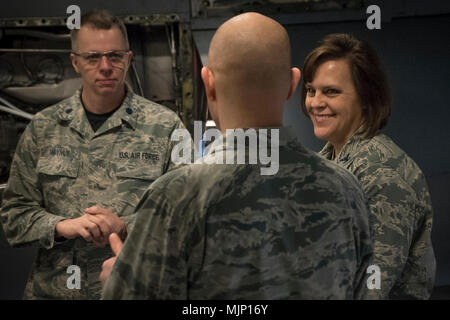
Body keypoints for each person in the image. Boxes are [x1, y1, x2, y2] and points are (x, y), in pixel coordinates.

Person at [100, 12, 373, 300]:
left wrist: (123, 280)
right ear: (293, 84)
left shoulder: (175, 197)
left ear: (209, 83)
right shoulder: (346, 189)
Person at [0, 10, 186, 299]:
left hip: (132, 291)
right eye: (92, 57)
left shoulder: (166, 127)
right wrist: (62, 226)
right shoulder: (44, 128)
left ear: (129, 58)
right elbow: (14, 216)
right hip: (53, 293)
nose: (105, 66)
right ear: (75, 62)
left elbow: (185, 217)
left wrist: (125, 226)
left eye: (115, 56)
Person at [300, 33, 435, 299]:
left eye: (331, 92)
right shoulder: (327, 160)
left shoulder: (383, 172)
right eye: (310, 90)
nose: (315, 103)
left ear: (365, 97)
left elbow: (371, 290)